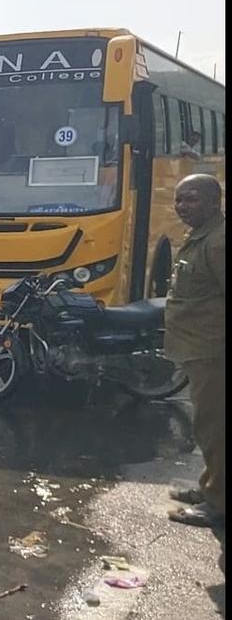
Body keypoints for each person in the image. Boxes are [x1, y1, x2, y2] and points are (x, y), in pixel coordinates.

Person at [164, 173, 225, 528]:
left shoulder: (218, 242)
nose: (182, 206)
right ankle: (211, 487)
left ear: (215, 202)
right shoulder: (201, 236)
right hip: (198, 348)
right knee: (208, 426)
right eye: (178, 200)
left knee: (215, 428)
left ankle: (217, 504)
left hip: (213, 351)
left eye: (191, 199)